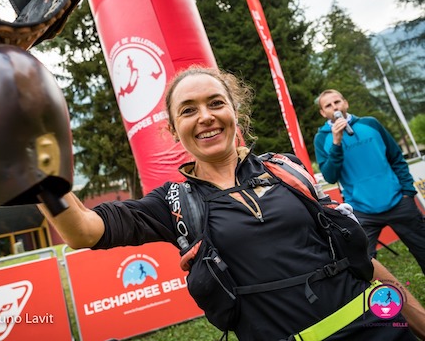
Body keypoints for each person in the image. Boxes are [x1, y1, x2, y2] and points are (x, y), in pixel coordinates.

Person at [37, 66, 425, 340]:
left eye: (216, 103)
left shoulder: (286, 168)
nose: (205, 117)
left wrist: (418, 319)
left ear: (234, 112)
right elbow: (83, 230)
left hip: (378, 328)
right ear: (172, 129)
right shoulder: (173, 203)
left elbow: (354, 255)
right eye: (188, 110)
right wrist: (38, 174)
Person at [314, 89, 425, 274]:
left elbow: (396, 158)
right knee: (364, 266)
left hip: (399, 202)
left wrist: (407, 192)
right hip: (362, 211)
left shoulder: (370, 124)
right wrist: (336, 143)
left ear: (345, 103)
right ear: (323, 113)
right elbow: (330, 176)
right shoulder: (322, 139)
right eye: (328, 105)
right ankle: (382, 302)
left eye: (337, 102)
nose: (335, 107)